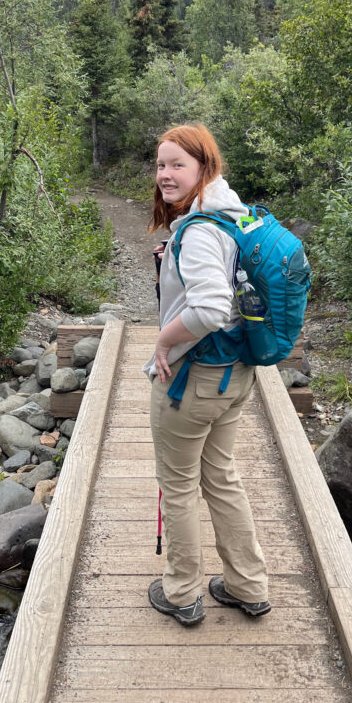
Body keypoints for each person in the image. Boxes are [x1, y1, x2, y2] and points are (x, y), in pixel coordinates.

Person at [144, 122, 270, 627]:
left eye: (178, 164)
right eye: (160, 164)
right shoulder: (228, 217)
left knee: (178, 487)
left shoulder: (197, 233)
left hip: (191, 382)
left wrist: (163, 340)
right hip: (235, 376)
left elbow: (213, 307)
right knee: (221, 477)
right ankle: (247, 585)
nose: (166, 175)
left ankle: (181, 593)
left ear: (203, 168)